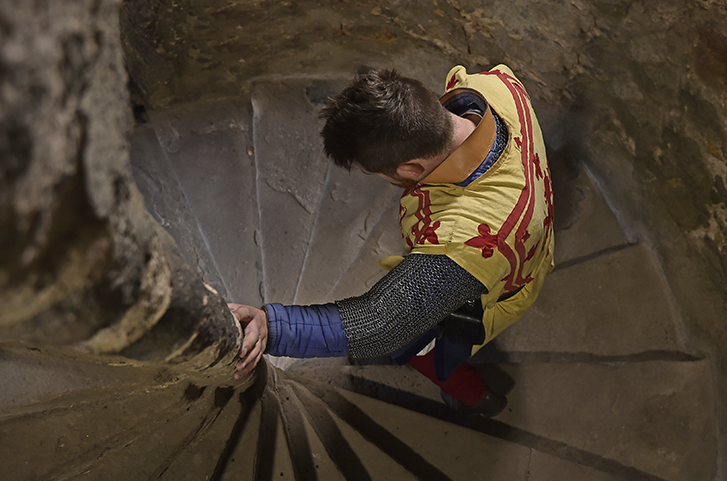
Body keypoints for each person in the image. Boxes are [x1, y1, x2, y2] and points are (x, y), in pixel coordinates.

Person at [229, 64, 554, 417]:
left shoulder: (460, 248)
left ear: (412, 169)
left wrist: (270, 325)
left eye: (377, 174)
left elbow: (382, 325)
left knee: (425, 349)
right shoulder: (494, 85)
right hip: (527, 237)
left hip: (488, 285)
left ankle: (476, 398)